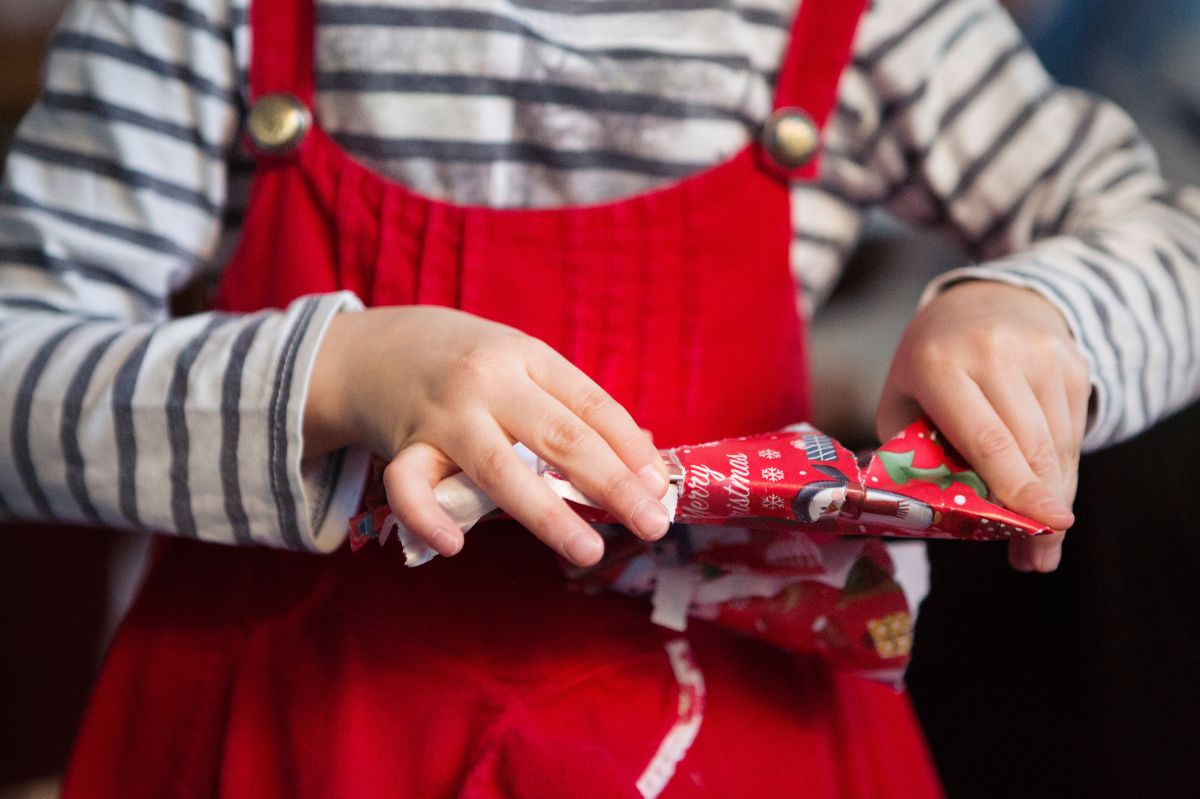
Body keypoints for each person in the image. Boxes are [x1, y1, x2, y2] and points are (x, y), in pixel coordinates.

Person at [1, 0, 1197, 795]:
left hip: (743, 749)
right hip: (279, 745)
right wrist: (332, 374)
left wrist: (1041, 310)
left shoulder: (875, 23)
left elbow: (1166, 239)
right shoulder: (203, 19)